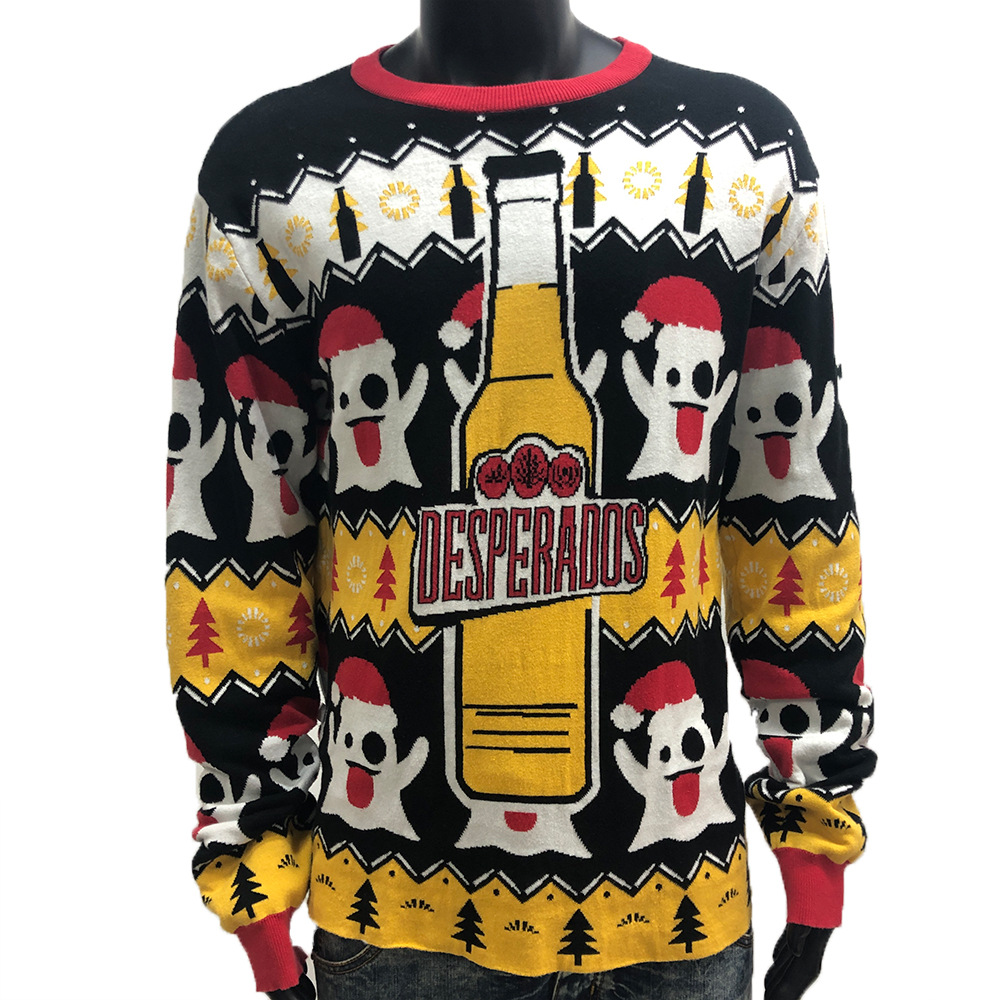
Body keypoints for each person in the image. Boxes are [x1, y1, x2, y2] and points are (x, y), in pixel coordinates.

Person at [165, 3, 876, 998]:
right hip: (398, 921)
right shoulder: (275, 170)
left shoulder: (741, 151)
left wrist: (814, 830)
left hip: (677, 907)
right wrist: (253, 870)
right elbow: (237, 532)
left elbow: (790, 507)